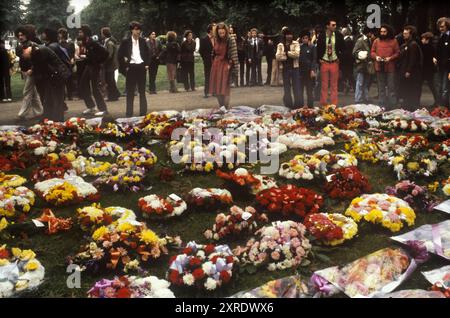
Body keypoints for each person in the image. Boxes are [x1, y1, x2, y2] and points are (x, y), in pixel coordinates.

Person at [21, 43, 69, 122]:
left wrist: (32, 71)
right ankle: (48, 117)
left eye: (23, 54)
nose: (24, 57)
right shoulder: (36, 50)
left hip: (57, 75)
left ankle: (58, 120)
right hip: (53, 75)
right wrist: (33, 70)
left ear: (25, 51)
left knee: (56, 99)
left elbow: (40, 65)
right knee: (48, 98)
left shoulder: (38, 51)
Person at [118, 21, 150, 117]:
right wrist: (125, 66)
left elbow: (148, 53)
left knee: (142, 91)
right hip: (131, 68)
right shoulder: (125, 42)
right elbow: (119, 55)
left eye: (139, 29)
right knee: (130, 92)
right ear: (132, 30)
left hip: (141, 67)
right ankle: (129, 114)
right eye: (136, 29)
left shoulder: (143, 41)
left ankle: (143, 113)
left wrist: (147, 64)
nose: (138, 31)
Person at [78, 24, 109, 116]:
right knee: (83, 84)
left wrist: (98, 62)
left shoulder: (93, 42)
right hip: (89, 66)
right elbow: (92, 54)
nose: (79, 33)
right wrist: (87, 57)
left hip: (94, 66)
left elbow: (105, 53)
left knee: (95, 87)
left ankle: (103, 109)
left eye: (80, 32)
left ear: (85, 33)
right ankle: (91, 107)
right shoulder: (86, 41)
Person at [15, 25, 43, 120]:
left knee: (26, 91)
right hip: (25, 71)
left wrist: (32, 69)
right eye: (19, 35)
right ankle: (39, 112)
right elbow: (22, 59)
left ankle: (22, 114)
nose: (20, 37)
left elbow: (37, 60)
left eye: (22, 35)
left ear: (26, 35)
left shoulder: (32, 45)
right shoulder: (19, 46)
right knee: (33, 93)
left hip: (31, 71)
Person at [209, 22, 239, 109]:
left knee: (225, 89)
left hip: (226, 64)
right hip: (216, 65)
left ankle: (226, 108)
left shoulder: (230, 39)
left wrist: (230, 65)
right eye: (219, 33)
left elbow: (234, 54)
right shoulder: (216, 39)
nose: (221, 34)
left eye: (223, 32)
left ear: (226, 31)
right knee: (217, 88)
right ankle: (221, 107)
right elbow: (213, 53)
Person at [371, 24, 400, 110]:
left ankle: (392, 105)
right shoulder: (376, 41)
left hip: (390, 67)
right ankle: (381, 105)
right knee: (381, 87)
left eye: (384, 32)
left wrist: (390, 58)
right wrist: (376, 57)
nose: (382, 33)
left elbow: (397, 52)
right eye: (381, 32)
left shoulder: (394, 41)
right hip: (379, 67)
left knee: (391, 87)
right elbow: (372, 52)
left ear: (388, 32)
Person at [317, 18, 345, 106]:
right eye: (333, 25)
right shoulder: (321, 36)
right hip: (324, 62)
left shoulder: (339, 35)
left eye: (335, 25)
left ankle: (333, 104)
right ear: (327, 26)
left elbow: (344, 48)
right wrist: (319, 59)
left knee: (334, 85)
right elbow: (318, 48)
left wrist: (339, 58)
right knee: (324, 85)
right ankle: (324, 104)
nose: (335, 26)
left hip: (334, 62)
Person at [398, 25, 423, 110]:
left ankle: (412, 107)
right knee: (407, 89)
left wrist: (408, 71)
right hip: (407, 71)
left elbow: (413, 59)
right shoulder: (406, 44)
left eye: (406, 33)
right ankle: (408, 106)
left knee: (412, 89)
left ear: (411, 34)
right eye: (403, 33)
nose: (404, 35)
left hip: (412, 73)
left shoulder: (413, 45)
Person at [276, 28, 301, 109]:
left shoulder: (296, 43)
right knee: (287, 87)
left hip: (295, 68)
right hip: (285, 68)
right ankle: (288, 104)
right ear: (285, 35)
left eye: (290, 34)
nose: (289, 36)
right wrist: (286, 56)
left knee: (296, 87)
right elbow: (278, 57)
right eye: (287, 34)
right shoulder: (280, 45)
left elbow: (297, 54)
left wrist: (287, 53)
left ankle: (297, 105)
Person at [353, 27, 376, 103]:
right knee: (360, 82)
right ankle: (358, 99)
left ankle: (365, 97)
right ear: (369, 32)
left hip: (368, 65)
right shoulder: (361, 40)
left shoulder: (370, 40)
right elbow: (354, 52)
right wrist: (362, 55)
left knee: (366, 83)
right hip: (362, 65)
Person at [420, 32, 439, 107]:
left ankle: (417, 101)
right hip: (430, 69)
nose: (422, 40)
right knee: (432, 86)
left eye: (423, 38)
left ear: (426, 39)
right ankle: (437, 101)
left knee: (420, 86)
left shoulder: (424, 47)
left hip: (425, 69)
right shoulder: (433, 47)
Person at [101, 27, 120, 102]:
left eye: (102, 33)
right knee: (110, 80)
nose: (101, 34)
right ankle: (115, 94)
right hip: (110, 64)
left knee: (110, 80)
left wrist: (103, 61)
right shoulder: (108, 41)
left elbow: (109, 55)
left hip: (110, 65)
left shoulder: (109, 43)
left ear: (104, 34)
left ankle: (113, 96)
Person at [298, 29, 317, 107]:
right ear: (301, 39)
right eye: (303, 38)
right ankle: (300, 106)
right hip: (300, 72)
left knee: (309, 90)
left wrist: (313, 70)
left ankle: (310, 106)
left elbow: (314, 59)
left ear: (308, 38)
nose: (305, 39)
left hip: (309, 72)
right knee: (300, 90)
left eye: (306, 38)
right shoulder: (299, 47)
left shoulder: (312, 47)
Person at [436, 17, 450, 108]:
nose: (441, 28)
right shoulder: (441, 36)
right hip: (440, 66)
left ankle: (444, 107)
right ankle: (441, 106)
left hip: (448, 67)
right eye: (440, 27)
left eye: (442, 26)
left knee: (445, 87)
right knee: (440, 86)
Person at [199, 24, 215, 98]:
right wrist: (205, 58)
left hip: (215, 61)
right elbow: (201, 51)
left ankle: (214, 91)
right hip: (207, 61)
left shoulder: (216, 39)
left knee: (215, 76)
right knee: (208, 76)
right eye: (214, 29)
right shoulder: (203, 39)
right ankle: (206, 92)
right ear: (210, 30)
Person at [341, 27, 355, 95]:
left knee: (349, 74)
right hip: (346, 61)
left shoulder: (348, 40)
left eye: (342, 32)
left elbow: (347, 52)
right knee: (346, 74)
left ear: (344, 33)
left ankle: (352, 87)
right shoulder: (346, 40)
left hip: (347, 61)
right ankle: (347, 87)